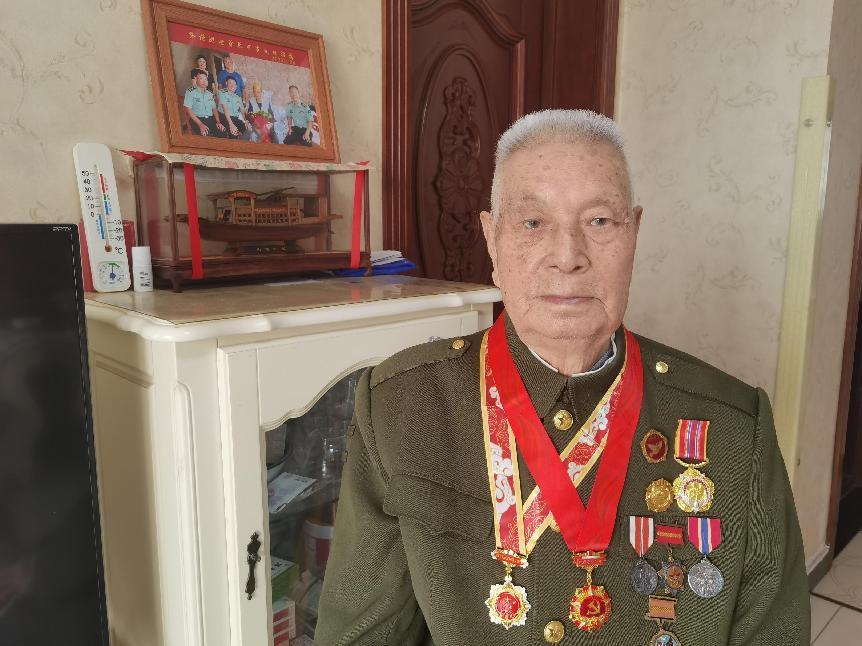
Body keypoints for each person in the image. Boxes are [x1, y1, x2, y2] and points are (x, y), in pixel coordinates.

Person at [316, 110, 810, 645]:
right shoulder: (400, 406)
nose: (568, 257)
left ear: (634, 234)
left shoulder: (735, 426)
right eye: (533, 223)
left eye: (599, 221)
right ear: (492, 240)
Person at [183, 69, 225, 137]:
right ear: (196, 80)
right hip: (198, 119)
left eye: (206, 79)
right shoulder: (190, 92)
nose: (204, 81)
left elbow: (214, 109)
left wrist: (218, 122)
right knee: (207, 135)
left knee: (222, 132)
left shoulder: (210, 94)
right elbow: (188, 110)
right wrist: (200, 124)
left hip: (211, 119)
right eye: (201, 78)